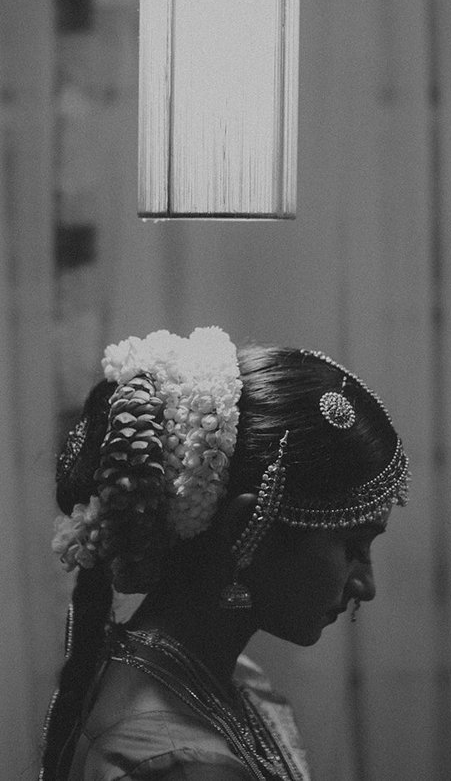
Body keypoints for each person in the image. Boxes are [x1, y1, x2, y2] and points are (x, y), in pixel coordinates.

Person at [40, 326, 411, 781]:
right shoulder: (182, 762)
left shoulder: (217, 678)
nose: (365, 587)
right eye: (352, 546)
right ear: (245, 527)